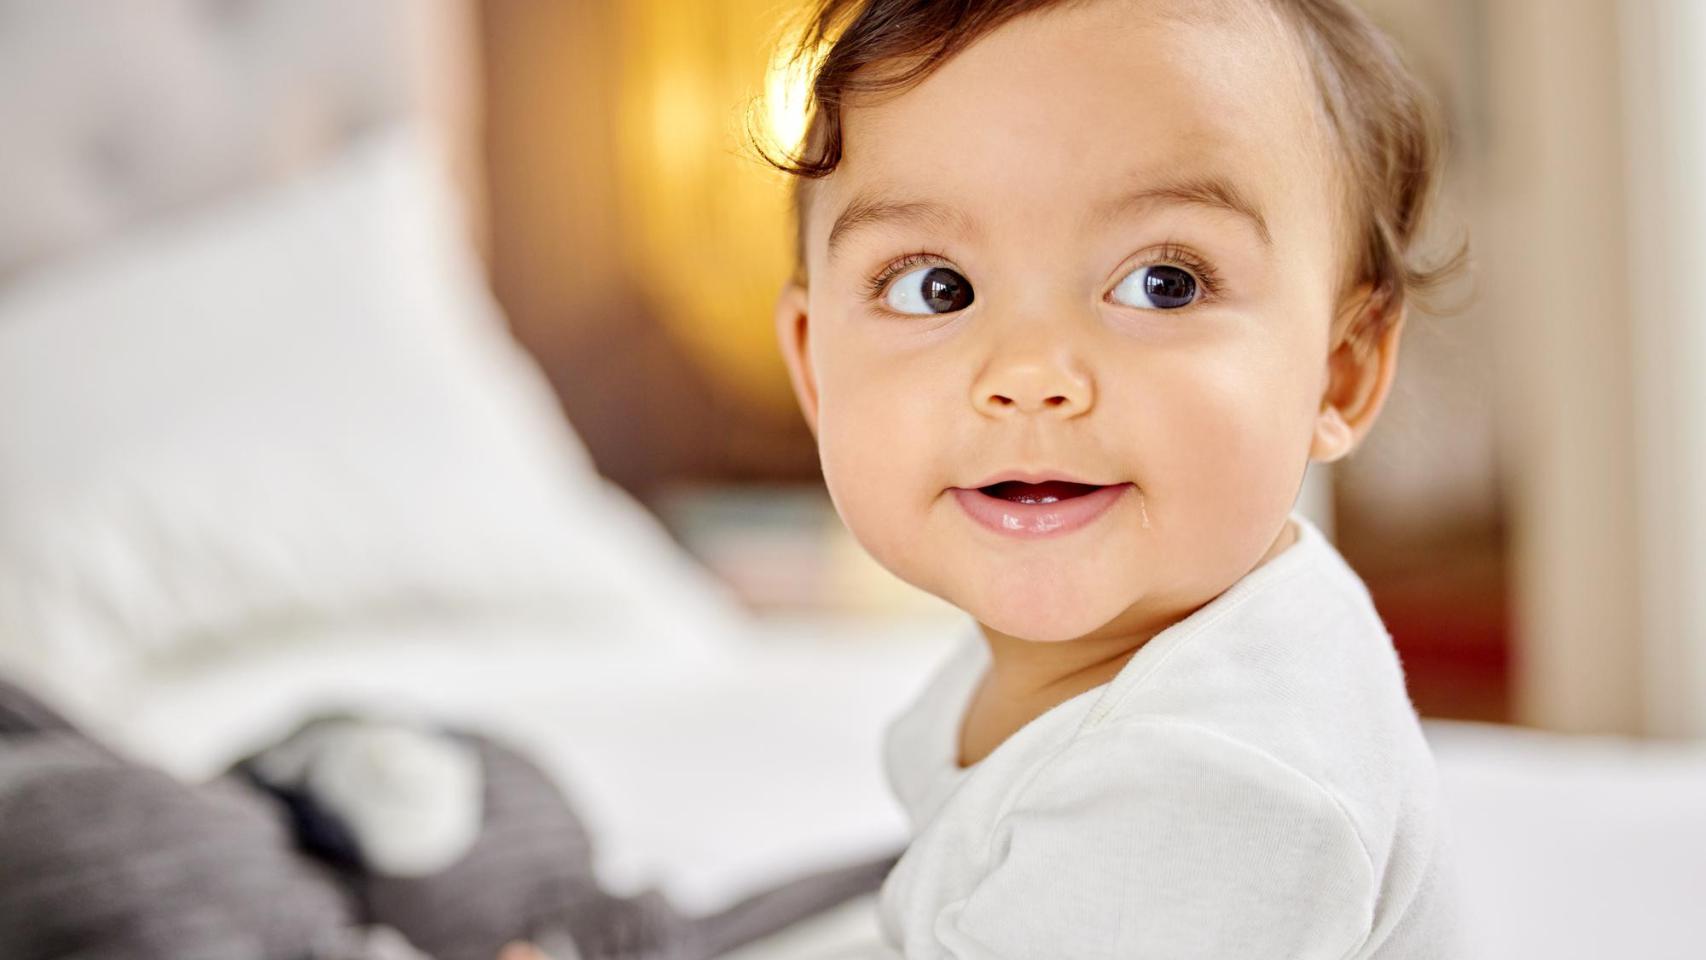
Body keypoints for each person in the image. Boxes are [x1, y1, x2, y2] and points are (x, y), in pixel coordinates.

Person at [764, 0, 1466, 956]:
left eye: (1162, 282)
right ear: (815, 369)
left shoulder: (1214, 790)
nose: (1029, 376)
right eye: (936, 286)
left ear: (1338, 370)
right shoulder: (1095, 653)